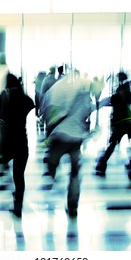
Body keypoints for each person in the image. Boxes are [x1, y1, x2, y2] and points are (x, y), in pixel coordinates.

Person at [40, 70, 92, 217]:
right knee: (75, 173)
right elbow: (87, 111)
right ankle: (73, 206)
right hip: (76, 137)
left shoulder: (53, 90)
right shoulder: (81, 91)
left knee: (52, 160)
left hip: (59, 136)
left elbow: (46, 113)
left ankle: (50, 176)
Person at [0, 73, 34, 218]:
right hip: (21, 142)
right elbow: (31, 104)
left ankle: (4, 180)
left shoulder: (0, 98)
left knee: (2, 163)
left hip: (6, 143)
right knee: (19, 177)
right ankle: (18, 206)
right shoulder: (24, 99)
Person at [95, 72, 131, 181]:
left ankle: (101, 165)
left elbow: (116, 102)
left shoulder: (120, 91)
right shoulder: (127, 90)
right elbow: (127, 103)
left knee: (112, 144)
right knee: (129, 145)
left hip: (119, 122)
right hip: (128, 122)